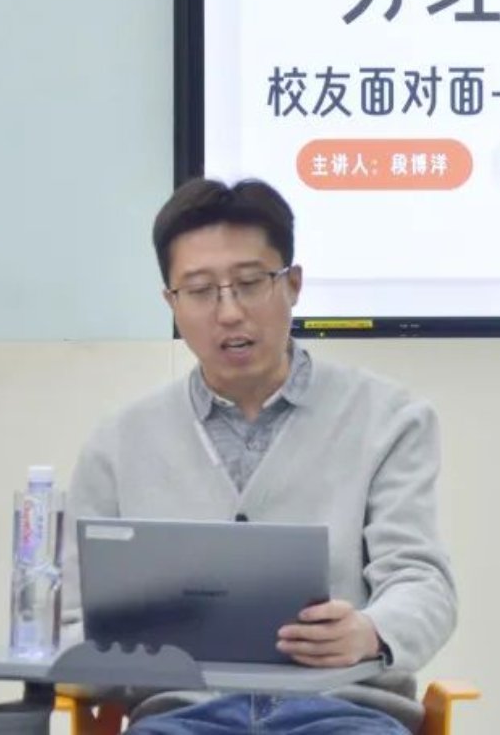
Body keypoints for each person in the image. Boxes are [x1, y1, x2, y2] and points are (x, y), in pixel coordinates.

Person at [62, 176, 457, 733]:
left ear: (292, 284)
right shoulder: (119, 443)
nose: (228, 312)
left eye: (249, 283)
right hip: (182, 717)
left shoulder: (389, 419)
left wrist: (371, 632)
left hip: (343, 712)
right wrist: (118, 654)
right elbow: (72, 622)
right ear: (171, 303)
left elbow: (421, 581)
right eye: (200, 290)